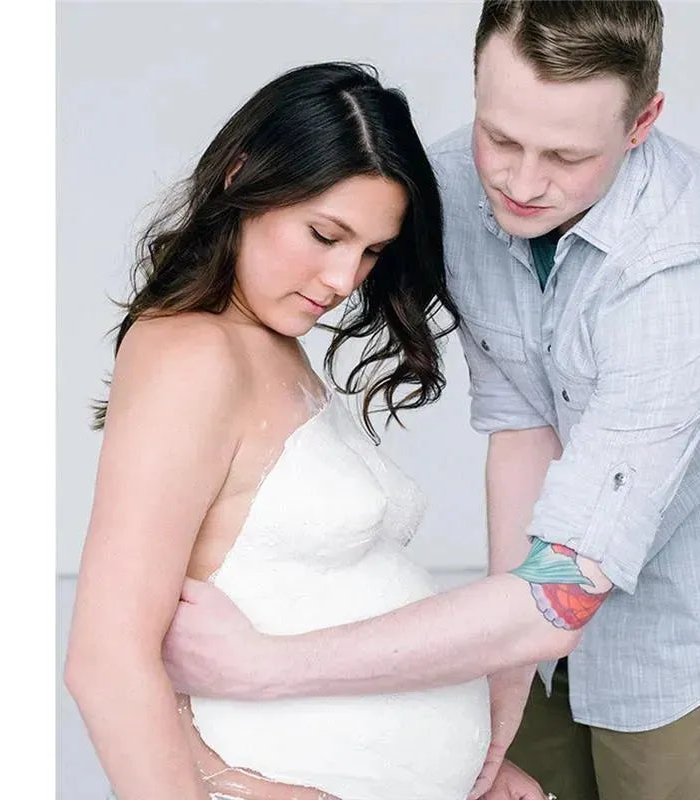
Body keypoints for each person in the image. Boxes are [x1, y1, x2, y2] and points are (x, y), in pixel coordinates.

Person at [161, 3, 700, 800]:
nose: (521, 183)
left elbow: (560, 594)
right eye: (500, 138)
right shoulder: (456, 188)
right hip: (530, 619)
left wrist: (265, 668)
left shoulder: (682, 273)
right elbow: (523, 426)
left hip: (685, 636)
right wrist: (506, 676)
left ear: (642, 123)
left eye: (566, 156)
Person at [64, 61, 550, 800]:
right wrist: (219, 778)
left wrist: (463, 766)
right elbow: (107, 660)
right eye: (325, 235)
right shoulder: (191, 355)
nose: (343, 280)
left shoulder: (270, 342)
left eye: (372, 251)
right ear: (242, 176)